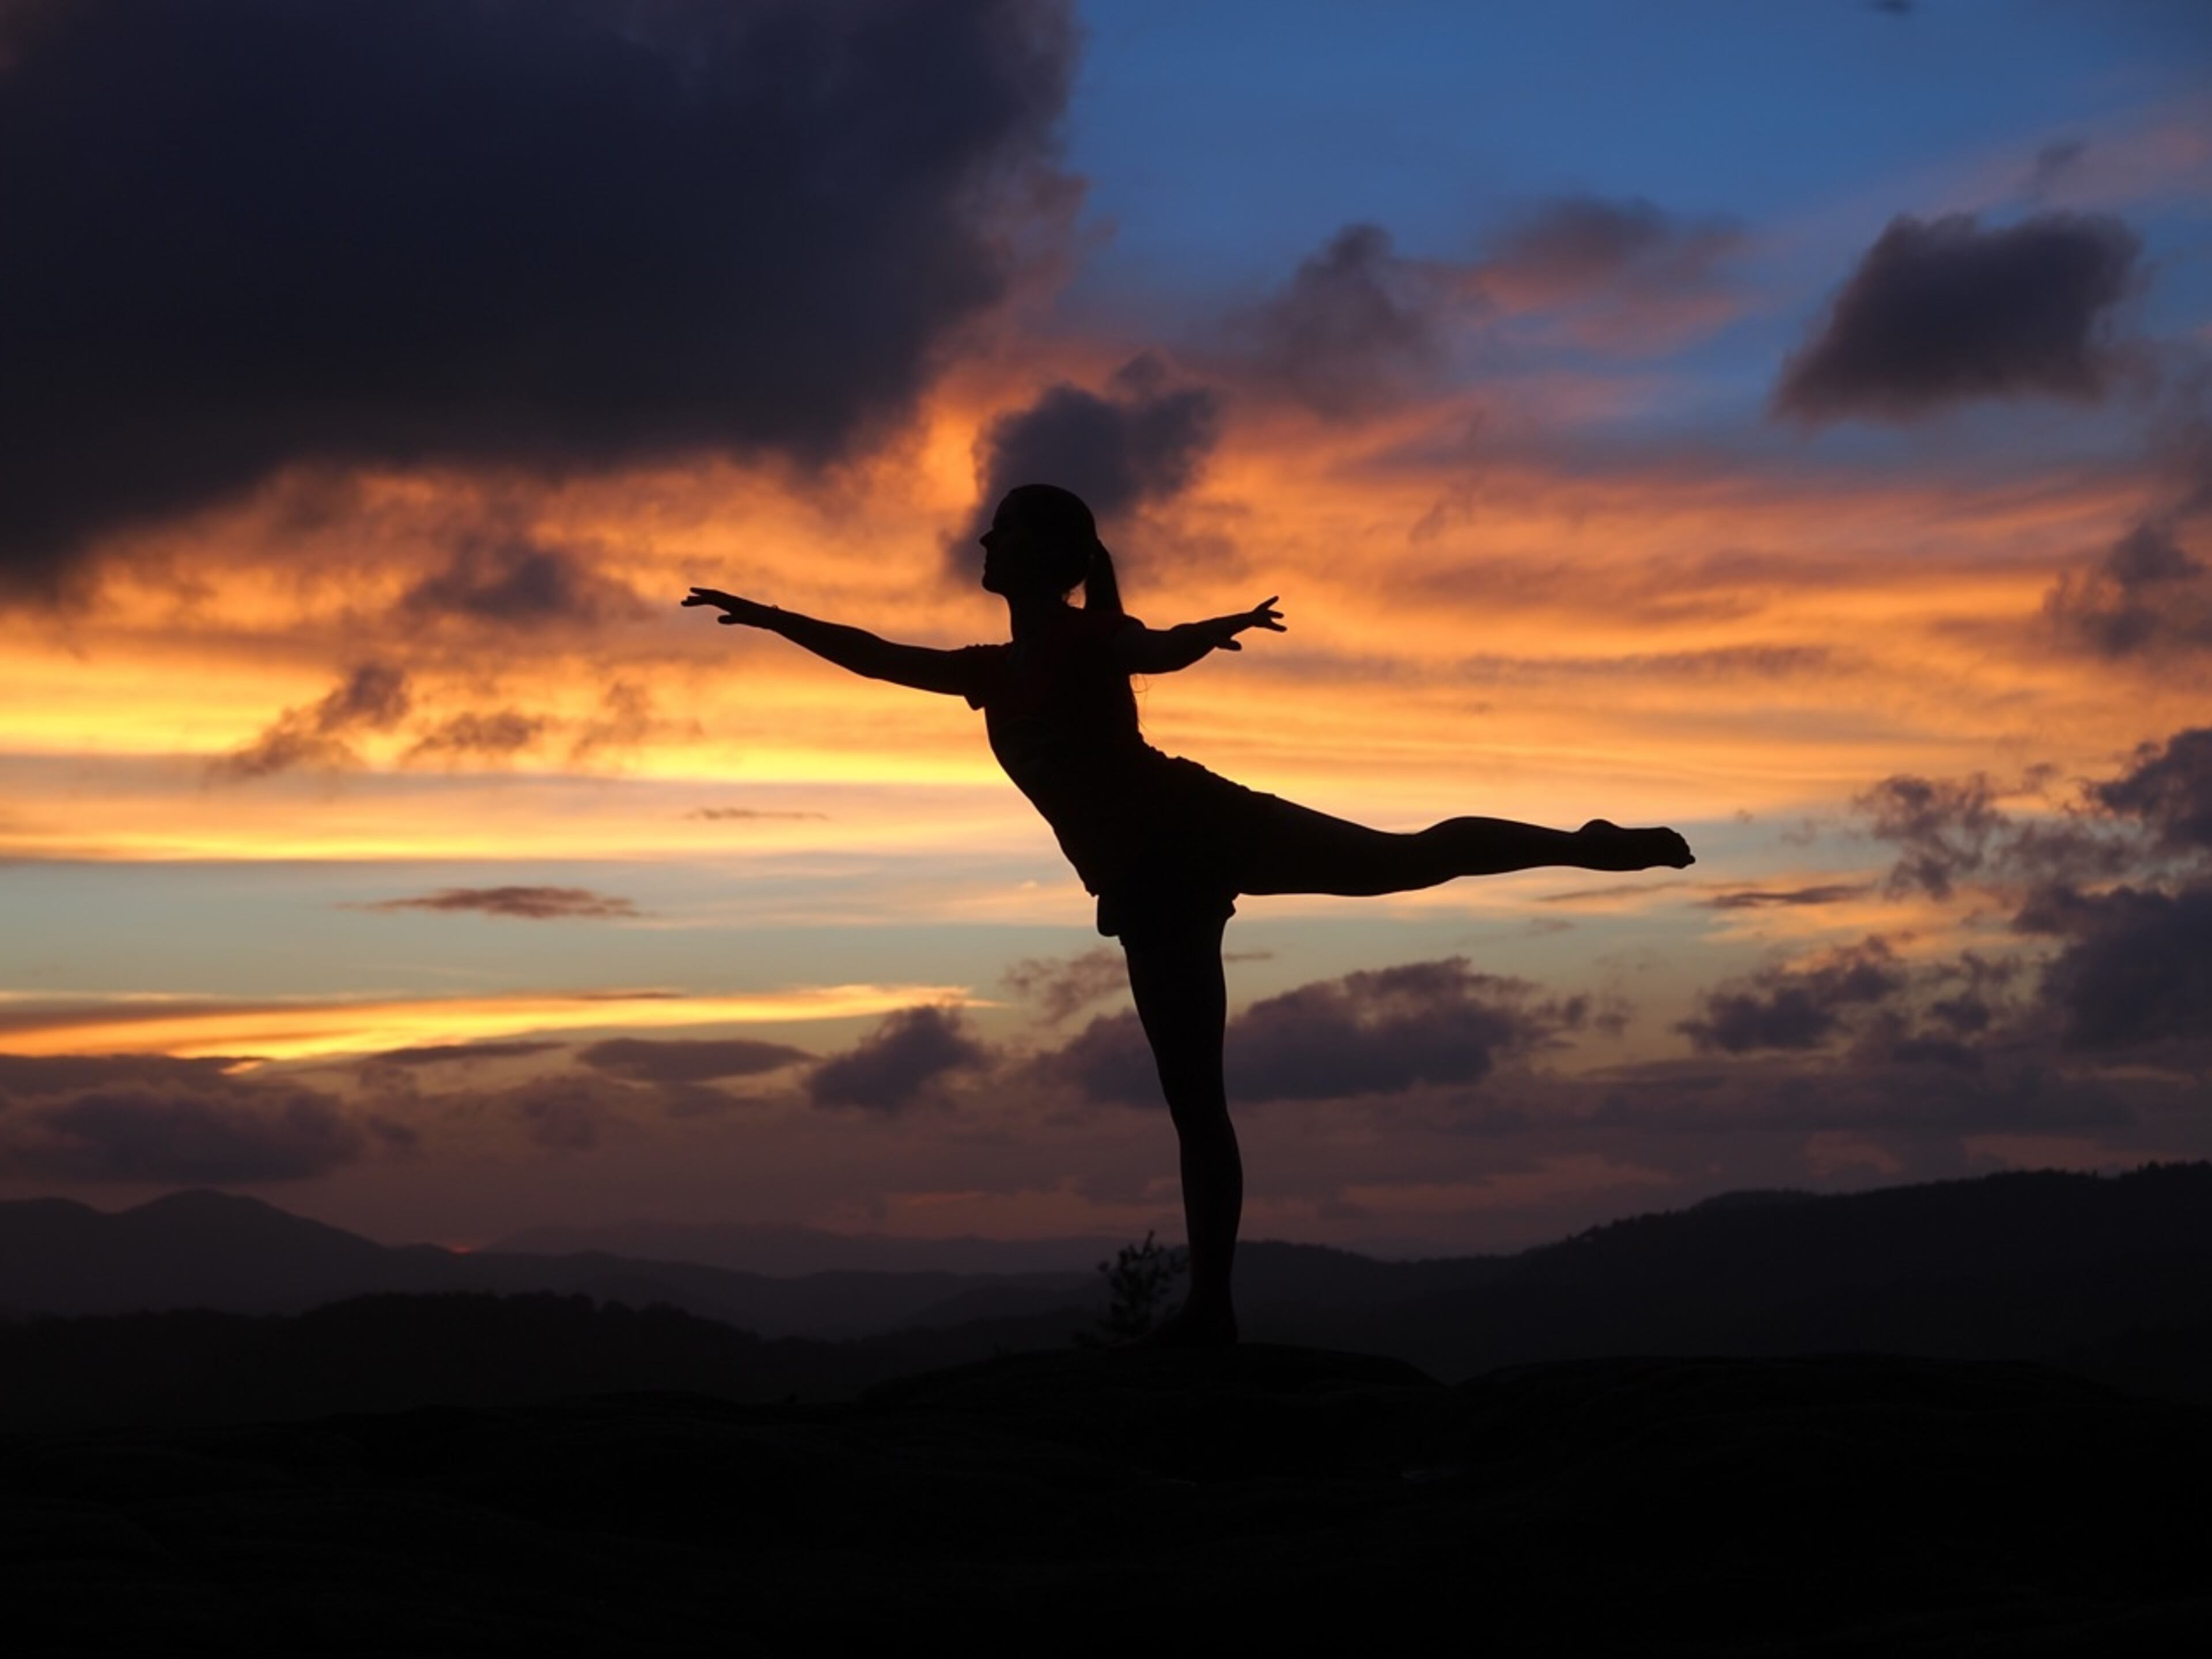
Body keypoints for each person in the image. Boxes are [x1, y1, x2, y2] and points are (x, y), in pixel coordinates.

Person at [685, 482, 1692, 1347]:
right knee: (1197, 1103)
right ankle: (1213, 1311)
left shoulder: (1086, 640)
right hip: (1152, 883)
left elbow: (1149, 649)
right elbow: (873, 654)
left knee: (1403, 864)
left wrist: (1208, 635)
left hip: (1194, 830)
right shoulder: (993, 669)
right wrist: (774, 618)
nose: (985, 542)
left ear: (1055, 555)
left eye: (1006, 529)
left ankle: (1584, 842)